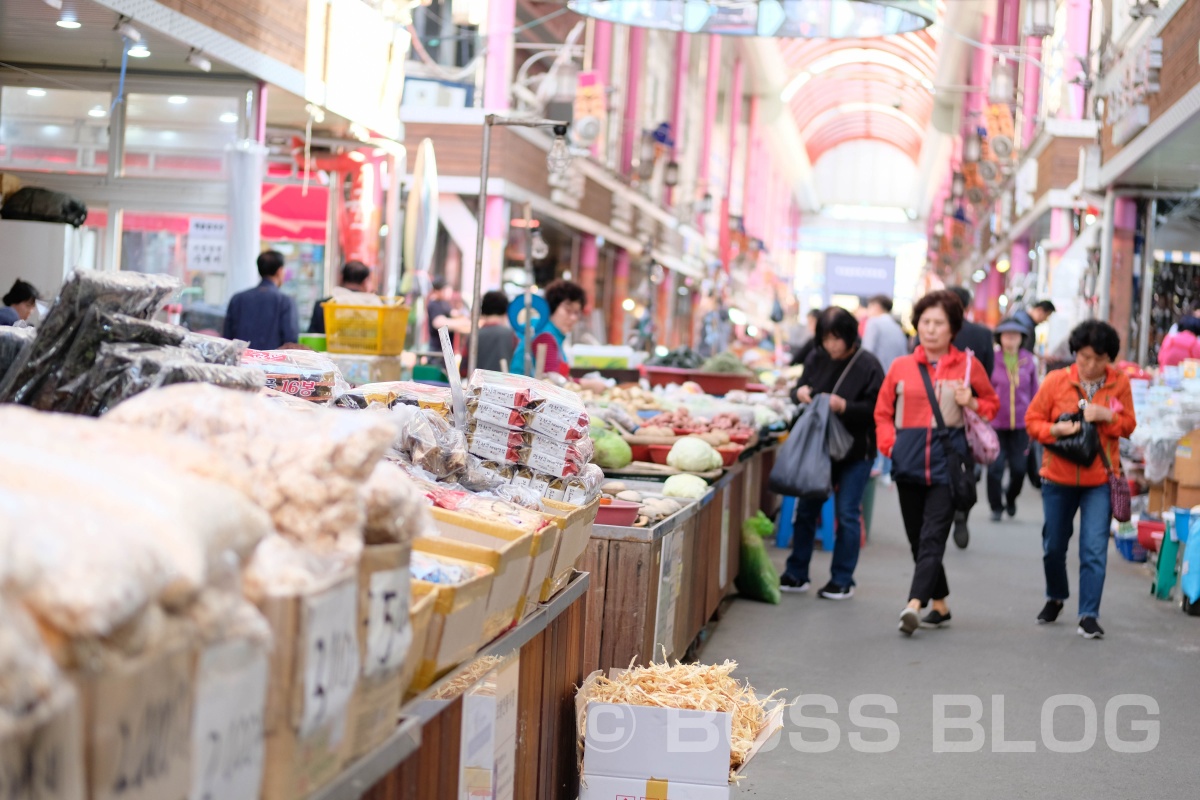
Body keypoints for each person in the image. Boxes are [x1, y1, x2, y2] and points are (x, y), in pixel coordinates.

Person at [874, 289, 999, 636]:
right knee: (917, 537)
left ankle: (914, 604)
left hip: (949, 464)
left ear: (952, 329)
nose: (930, 329)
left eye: (938, 323)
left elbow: (992, 406)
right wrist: (890, 446)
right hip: (907, 462)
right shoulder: (901, 367)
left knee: (932, 537)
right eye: (925, 322)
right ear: (917, 325)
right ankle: (940, 604)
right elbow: (882, 412)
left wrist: (971, 400)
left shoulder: (968, 365)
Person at [1025, 320, 1136, 640]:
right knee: (1054, 546)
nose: (1090, 365)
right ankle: (1056, 595)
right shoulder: (1057, 380)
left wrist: (1107, 416)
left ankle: (1089, 613)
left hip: (1100, 479)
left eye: (1098, 359)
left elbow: (1128, 426)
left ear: (1109, 359)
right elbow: (1033, 421)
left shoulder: (1120, 384)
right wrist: (1055, 430)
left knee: (1093, 548)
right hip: (1057, 477)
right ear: (1075, 353)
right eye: (1084, 357)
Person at [781, 307, 885, 599]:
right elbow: (799, 388)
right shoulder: (816, 356)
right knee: (806, 511)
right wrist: (799, 392)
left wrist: (845, 407)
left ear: (851, 335)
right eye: (826, 338)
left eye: (837, 338)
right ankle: (796, 573)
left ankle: (842, 579)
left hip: (856, 452)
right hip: (819, 450)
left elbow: (878, 410)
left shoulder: (868, 365)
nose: (832, 345)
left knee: (848, 514)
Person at [946, 285, 994, 549]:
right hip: (970, 412)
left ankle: (950, 510)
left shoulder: (931, 333)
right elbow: (985, 375)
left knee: (941, 464)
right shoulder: (982, 335)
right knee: (967, 465)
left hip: (939, 412)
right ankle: (961, 508)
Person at [988, 319, 1039, 521]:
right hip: (995, 423)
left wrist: (1036, 417)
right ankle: (996, 507)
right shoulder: (992, 359)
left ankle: (1010, 498)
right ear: (999, 337)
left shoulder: (1029, 361)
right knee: (995, 468)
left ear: (1022, 338)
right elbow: (985, 389)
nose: (1010, 338)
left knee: (1019, 468)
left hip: (1021, 424)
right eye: (1006, 334)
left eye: (1015, 335)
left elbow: (1035, 392)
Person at [223, 251, 299, 351]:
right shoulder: (285, 301)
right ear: (279, 271)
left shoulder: (238, 298)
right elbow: (290, 340)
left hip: (241, 362)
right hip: (272, 364)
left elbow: (227, 338)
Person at [511, 279, 585, 377]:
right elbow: (552, 380)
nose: (573, 318)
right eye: (568, 310)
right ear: (552, 307)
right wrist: (585, 384)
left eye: (576, 312)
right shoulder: (545, 336)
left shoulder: (550, 333)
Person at [308, 260, 375, 334]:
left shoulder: (323, 305)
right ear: (365, 282)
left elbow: (313, 336)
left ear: (341, 278)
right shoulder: (374, 306)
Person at [465, 290, 516, 374]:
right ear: (506, 310)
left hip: (478, 386)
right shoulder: (512, 335)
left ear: (483, 310)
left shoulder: (473, 336)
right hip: (505, 385)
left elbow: (463, 370)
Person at [860, 295, 909, 374]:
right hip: (895, 374)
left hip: (878, 375)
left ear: (877, 307)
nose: (868, 311)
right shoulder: (897, 327)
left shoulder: (873, 322)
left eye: (869, 307)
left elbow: (866, 352)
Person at [426, 279, 470, 345]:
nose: (449, 292)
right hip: (438, 348)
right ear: (437, 291)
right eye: (446, 290)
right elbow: (439, 323)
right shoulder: (434, 304)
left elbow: (454, 314)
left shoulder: (444, 303)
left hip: (447, 346)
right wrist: (463, 323)